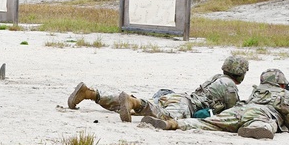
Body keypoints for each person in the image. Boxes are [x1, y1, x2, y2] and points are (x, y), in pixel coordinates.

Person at [67, 55, 249, 122]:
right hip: (185, 105)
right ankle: (133, 101)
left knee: (136, 106)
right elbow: (232, 113)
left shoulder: (216, 78)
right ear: (241, 74)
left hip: (176, 97)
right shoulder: (230, 87)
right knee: (162, 117)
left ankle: (92, 94)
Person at [139, 68, 289, 140]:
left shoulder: (257, 91)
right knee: (265, 123)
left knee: (207, 123)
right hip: (261, 115)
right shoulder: (287, 95)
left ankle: (171, 124)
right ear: (282, 84)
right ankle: (256, 129)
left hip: (240, 110)